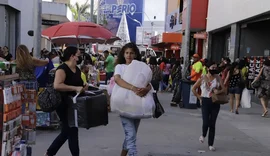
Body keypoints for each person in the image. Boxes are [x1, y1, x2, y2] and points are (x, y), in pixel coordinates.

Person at [46, 46, 88, 156]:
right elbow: (57, 85)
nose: (80, 57)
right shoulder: (62, 69)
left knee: (67, 131)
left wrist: (84, 86)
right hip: (63, 103)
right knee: (72, 130)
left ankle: (49, 153)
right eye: (78, 55)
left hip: (74, 104)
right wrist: (75, 88)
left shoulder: (77, 69)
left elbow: (77, 84)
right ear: (72, 56)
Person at [113, 42, 152, 156]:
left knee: (131, 134)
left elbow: (148, 82)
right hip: (123, 104)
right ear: (123, 54)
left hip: (137, 105)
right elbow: (117, 80)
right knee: (131, 135)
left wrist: (146, 89)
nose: (129, 55)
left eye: (131, 53)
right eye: (127, 53)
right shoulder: (120, 67)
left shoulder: (141, 67)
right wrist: (133, 88)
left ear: (135, 54)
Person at [192, 61, 226, 151]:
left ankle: (211, 144)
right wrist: (199, 98)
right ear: (207, 68)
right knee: (206, 121)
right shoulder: (202, 78)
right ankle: (203, 135)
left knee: (212, 123)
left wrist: (218, 91)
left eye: (215, 68)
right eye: (212, 68)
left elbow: (224, 89)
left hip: (215, 101)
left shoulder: (218, 78)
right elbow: (193, 88)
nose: (214, 69)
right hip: (205, 101)